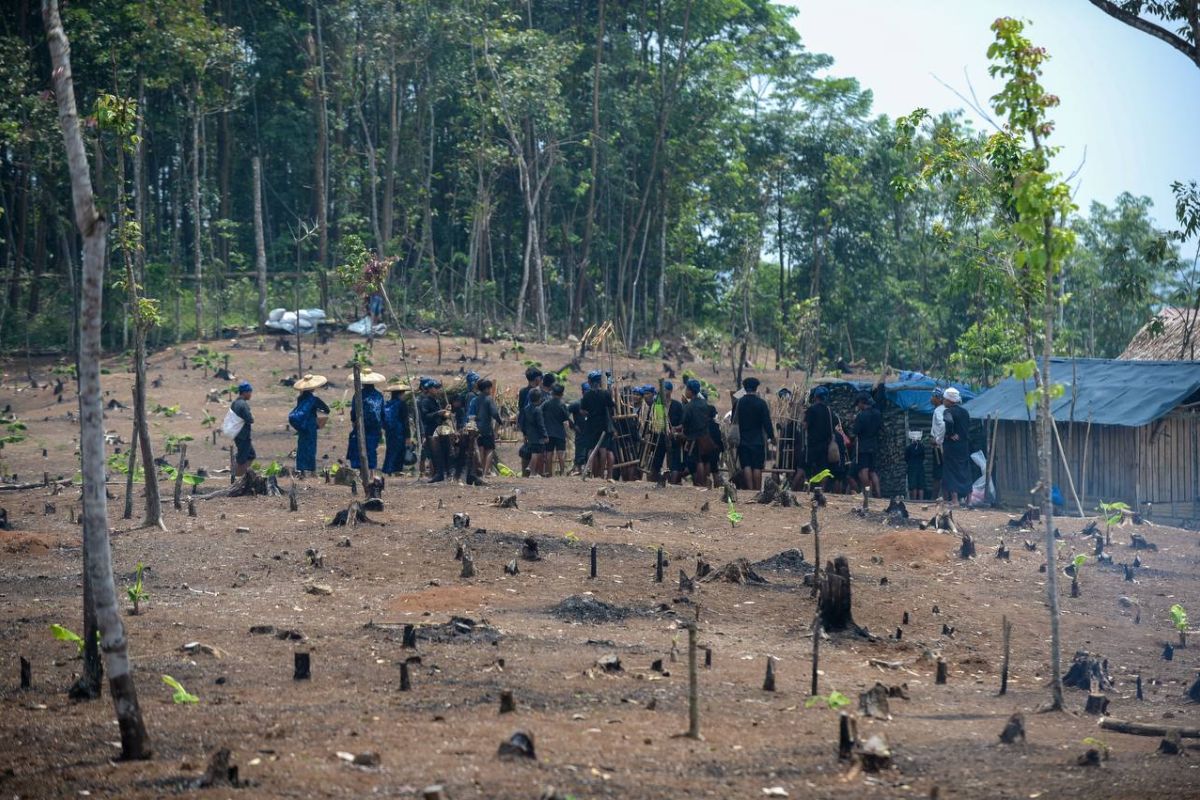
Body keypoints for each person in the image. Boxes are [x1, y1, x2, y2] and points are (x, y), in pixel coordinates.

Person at [734, 377, 774, 491]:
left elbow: (733, 420)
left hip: (743, 439)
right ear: (756, 388)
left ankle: (749, 490)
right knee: (757, 466)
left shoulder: (739, 402)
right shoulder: (761, 403)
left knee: (746, 465)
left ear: (745, 388)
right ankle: (757, 490)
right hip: (758, 440)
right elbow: (767, 423)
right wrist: (772, 436)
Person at [288, 374, 330, 476]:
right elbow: (327, 409)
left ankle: (301, 470)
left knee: (301, 447)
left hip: (302, 425)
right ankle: (312, 471)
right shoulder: (314, 399)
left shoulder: (300, 398)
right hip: (311, 425)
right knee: (311, 447)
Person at [347, 370, 386, 475]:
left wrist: (354, 421)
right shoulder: (379, 395)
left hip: (361, 426)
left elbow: (354, 411)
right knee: (372, 449)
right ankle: (372, 472)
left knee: (360, 447)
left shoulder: (358, 395)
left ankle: (362, 472)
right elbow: (383, 412)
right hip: (375, 427)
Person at [580, 371, 615, 477]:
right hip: (603, 424)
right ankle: (601, 474)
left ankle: (592, 473)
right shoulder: (605, 394)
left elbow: (582, 411)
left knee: (591, 449)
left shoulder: (587, 395)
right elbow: (611, 406)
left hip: (591, 425)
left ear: (590, 382)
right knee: (603, 449)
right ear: (600, 381)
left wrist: (590, 412)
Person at [649, 380, 685, 485]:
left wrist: (674, 429)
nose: (662, 392)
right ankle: (655, 482)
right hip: (659, 438)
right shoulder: (657, 405)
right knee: (656, 463)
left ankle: (673, 484)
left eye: (665, 390)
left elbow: (682, 423)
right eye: (661, 390)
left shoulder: (677, 406)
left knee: (674, 464)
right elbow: (654, 423)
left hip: (673, 438)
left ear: (670, 391)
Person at [941, 387, 973, 506]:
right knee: (965, 470)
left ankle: (955, 500)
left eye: (944, 399)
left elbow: (948, 421)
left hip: (953, 446)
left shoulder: (948, 412)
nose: (943, 401)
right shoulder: (965, 412)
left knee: (952, 470)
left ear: (949, 400)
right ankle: (969, 500)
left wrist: (950, 434)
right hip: (964, 445)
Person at [679, 379, 712, 487]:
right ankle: (703, 482)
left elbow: (685, 423)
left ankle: (699, 483)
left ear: (690, 390)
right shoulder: (705, 404)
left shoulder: (689, 407)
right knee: (703, 460)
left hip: (694, 438)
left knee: (698, 461)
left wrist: (685, 433)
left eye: (686, 389)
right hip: (706, 437)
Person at [801, 386, 835, 489]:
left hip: (812, 445)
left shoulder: (811, 410)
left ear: (815, 396)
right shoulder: (828, 410)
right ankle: (822, 489)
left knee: (808, 468)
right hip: (825, 444)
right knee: (824, 469)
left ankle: (808, 488)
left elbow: (804, 426)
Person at [418, 378, 451, 482]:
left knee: (442, 452)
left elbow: (441, 418)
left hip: (438, 429)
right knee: (434, 453)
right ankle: (438, 474)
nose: (437, 390)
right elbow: (425, 416)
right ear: (430, 389)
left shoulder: (436, 401)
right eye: (435, 388)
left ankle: (442, 474)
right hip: (430, 430)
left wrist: (446, 412)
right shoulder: (425, 401)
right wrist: (438, 413)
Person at [852, 391, 883, 498]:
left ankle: (867, 493)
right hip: (874, 445)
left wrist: (854, 420)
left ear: (861, 402)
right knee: (873, 471)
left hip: (863, 446)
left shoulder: (861, 416)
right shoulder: (877, 413)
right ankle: (878, 494)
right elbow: (880, 429)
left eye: (858, 403)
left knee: (864, 470)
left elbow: (855, 431)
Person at [474, 379, 500, 484]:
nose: (490, 390)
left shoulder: (476, 399)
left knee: (480, 449)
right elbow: (494, 412)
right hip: (487, 428)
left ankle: (479, 471)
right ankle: (485, 472)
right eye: (490, 388)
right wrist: (500, 420)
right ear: (486, 388)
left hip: (477, 427)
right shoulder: (489, 399)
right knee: (489, 449)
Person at [517, 367, 542, 475]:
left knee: (527, 448)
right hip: (536, 425)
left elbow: (520, 409)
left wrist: (522, 426)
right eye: (540, 378)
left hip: (525, 425)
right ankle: (533, 472)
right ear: (536, 379)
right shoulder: (537, 392)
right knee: (536, 448)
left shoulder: (522, 391)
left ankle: (524, 471)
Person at [382, 381, 410, 476]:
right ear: (400, 394)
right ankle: (397, 470)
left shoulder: (389, 403)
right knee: (399, 450)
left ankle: (388, 469)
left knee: (390, 449)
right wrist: (408, 436)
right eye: (403, 393)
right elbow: (405, 421)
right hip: (399, 430)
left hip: (390, 431)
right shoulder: (402, 404)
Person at [542, 383, 570, 476]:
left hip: (548, 433)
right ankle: (562, 473)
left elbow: (540, 413)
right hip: (560, 433)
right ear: (561, 394)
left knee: (549, 454)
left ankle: (549, 473)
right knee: (560, 454)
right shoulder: (562, 405)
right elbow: (566, 417)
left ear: (552, 392)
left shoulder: (546, 403)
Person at [521, 387, 548, 476]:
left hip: (529, 434)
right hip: (537, 435)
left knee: (534, 451)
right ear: (539, 399)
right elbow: (541, 424)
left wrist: (524, 433)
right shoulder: (538, 410)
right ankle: (532, 472)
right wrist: (545, 435)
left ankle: (531, 468)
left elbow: (523, 423)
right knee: (536, 453)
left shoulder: (526, 409)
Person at [232, 381, 255, 477]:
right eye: (249, 392)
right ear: (244, 392)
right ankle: (238, 477)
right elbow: (249, 419)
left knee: (250, 455)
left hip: (237, 434)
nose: (250, 394)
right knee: (243, 458)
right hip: (243, 435)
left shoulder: (235, 403)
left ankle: (241, 475)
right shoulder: (243, 404)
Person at [567, 382, 589, 476]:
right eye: (586, 392)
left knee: (589, 450)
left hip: (591, 431)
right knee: (580, 450)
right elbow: (565, 413)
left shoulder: (593, 403)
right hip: (580, 431)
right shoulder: (576, 404)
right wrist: (573, 425)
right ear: (583, 392)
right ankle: (579, 469)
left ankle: (587, 469)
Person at [929, 388, 946, 499]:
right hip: (945, 445)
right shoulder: (946, 409)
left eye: (933, 396)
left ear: (938, 398)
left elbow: (943, 425)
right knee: (944, 471)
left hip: (939, 447)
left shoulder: (938, 411)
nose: (931, 399)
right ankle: (944, 496)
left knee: (938, 473)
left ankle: (935, 497)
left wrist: (937, 440)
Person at [905, 431, 926, 500]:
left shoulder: (909, 448)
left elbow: (906, 458)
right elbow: (923, 457)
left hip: (912, 467)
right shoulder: (922, 447)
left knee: (913, 485)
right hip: (920, 467)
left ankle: (914, 501)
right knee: (921, 485)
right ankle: (921, 500)